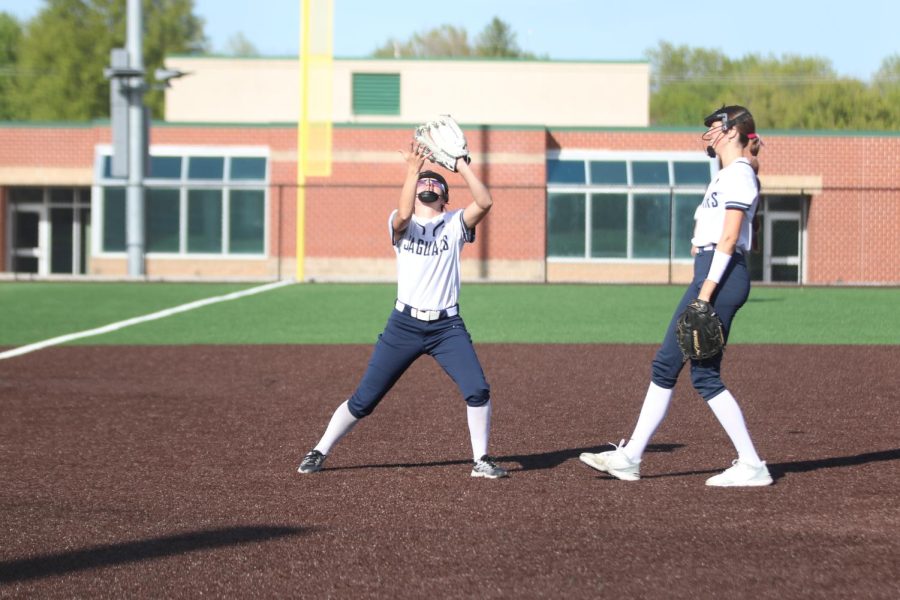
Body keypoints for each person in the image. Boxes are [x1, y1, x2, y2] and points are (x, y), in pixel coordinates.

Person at [580, 105, 772, 487]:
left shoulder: (738, 174)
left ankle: (751, 464)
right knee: (670, 365)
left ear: (734, 132)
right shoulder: (730, 174)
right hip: (712, 274)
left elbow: (730, 238)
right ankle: (631, 457)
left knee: (701, 374)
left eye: (716, 127)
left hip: (721, 276)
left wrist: (704, 293)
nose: (710, 133)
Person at [298, 142, 508, 479]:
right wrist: (413, 170)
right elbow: (405, 214)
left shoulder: (454, 224)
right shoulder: (401, 223)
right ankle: (319, 450)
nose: (427, 184)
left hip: (446, 327)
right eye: (422, 183)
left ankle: (481, 460)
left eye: (434, 183)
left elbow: (485, 201)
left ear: (444, 196)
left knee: (478, 389)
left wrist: (461, 166)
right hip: (404, 326)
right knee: (364, 400)